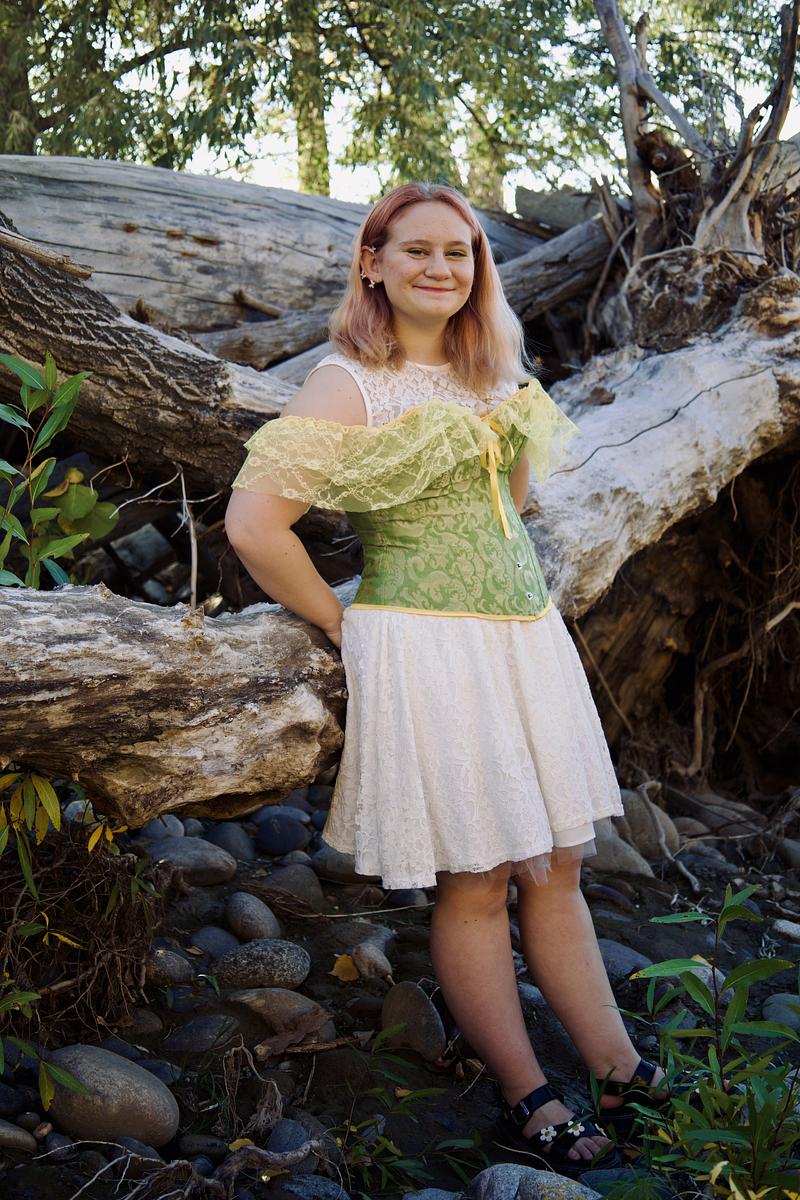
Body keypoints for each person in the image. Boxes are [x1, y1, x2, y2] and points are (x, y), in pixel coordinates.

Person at [225, 181, 668, 1176]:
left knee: (556, 863)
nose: (439, 267)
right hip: (424, 643)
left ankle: (617, 1067)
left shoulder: (492, 372)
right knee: (476, 875)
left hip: (522, 638)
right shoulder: (349, 382)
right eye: (416, 249)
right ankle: (528, 1093)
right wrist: (337, 619)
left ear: (477, 269)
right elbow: (253, 524)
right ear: (372, 263)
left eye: (458, 252)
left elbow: (512, 503)